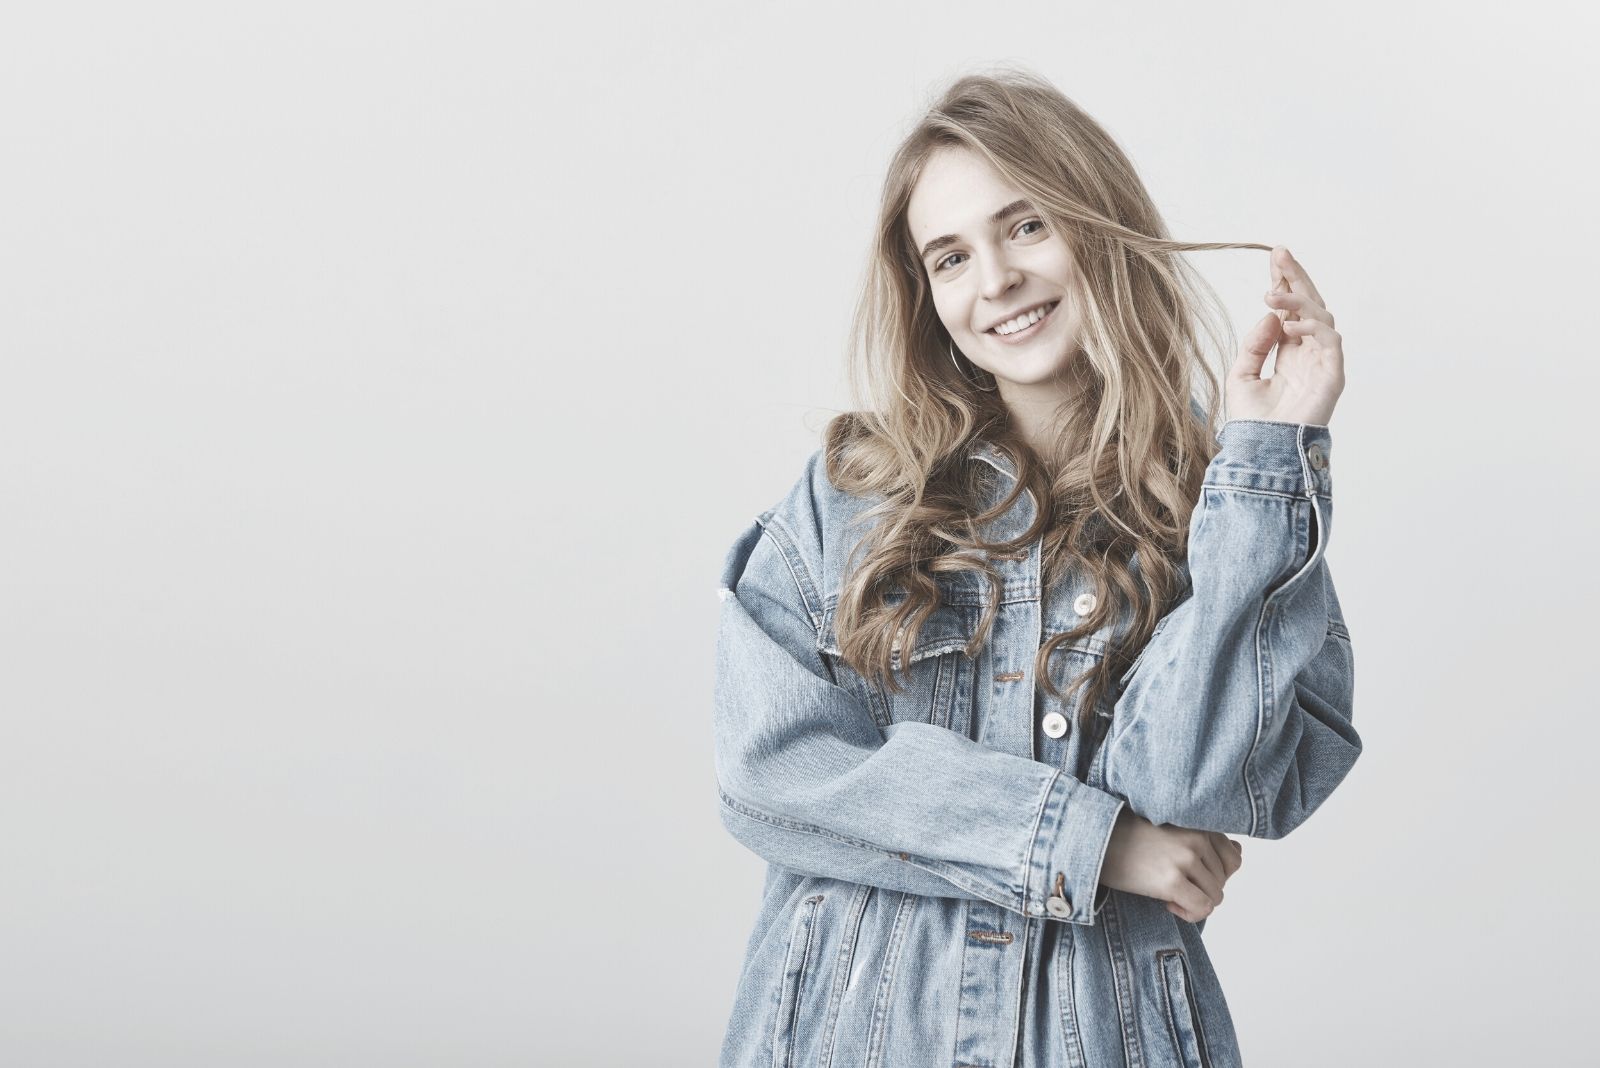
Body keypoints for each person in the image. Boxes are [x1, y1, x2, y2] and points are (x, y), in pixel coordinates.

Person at [711, 65, 1359, 1068]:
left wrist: (1268, 450)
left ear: (1096, 225)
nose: (996, 282)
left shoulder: (1218, 501)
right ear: (926, 296)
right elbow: (774, 771)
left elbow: (1210, 785)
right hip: (853, 1030)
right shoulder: (850, 495)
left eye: (1024, 227)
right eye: (950, 257)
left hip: (1108, 1032)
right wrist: (1090, 841)